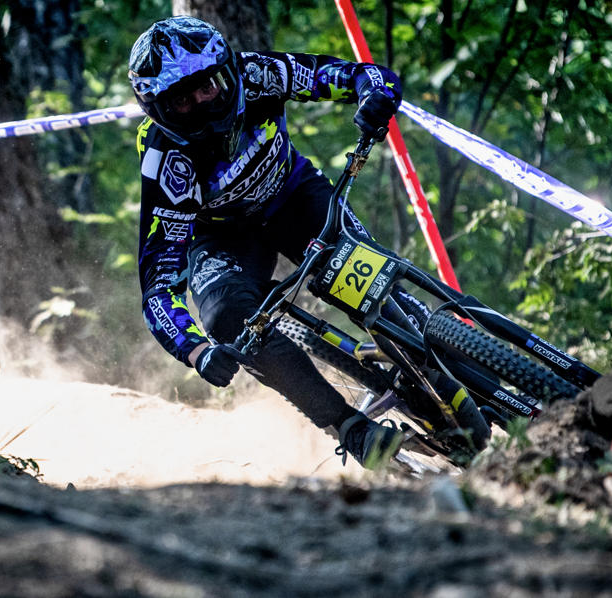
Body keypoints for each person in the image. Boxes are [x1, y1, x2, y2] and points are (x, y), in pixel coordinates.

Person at [129, 16, 406, 471]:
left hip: (293, 195)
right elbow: (158, 286)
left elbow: (356, 74)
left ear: (229, 70)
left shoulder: (259, 74)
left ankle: (428, 349)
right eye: (182, 99)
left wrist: (373, 93)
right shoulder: (168, 163)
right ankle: (349, 428)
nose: (203, 102)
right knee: (225, 315)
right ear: (159, 110)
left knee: (369, 280)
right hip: (223, 236)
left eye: (209, 85)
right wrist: (198, 351)